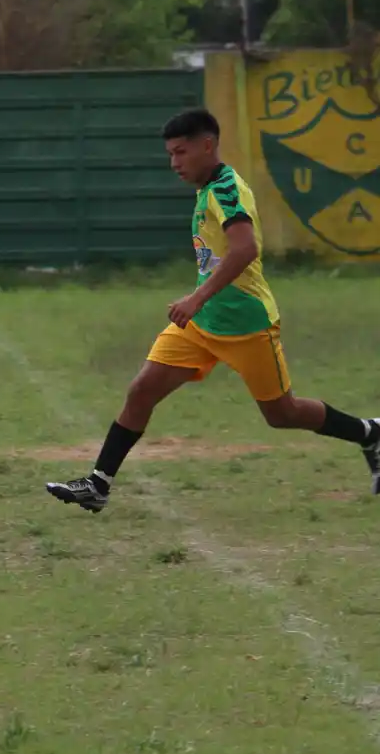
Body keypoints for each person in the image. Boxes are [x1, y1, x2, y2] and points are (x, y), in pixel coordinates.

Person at [47, 109, 380, 513]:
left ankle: (370, 432)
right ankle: (98, 484)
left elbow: (245, 249)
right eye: (170, 155)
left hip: (246, 324)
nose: (175, 164)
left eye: (181, 153)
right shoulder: (207, 188)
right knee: (141, 390)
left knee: (282, 413)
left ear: (208, 145)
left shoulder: (226, 189)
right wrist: (200, 305)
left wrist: (196, 297)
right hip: (202, 325)